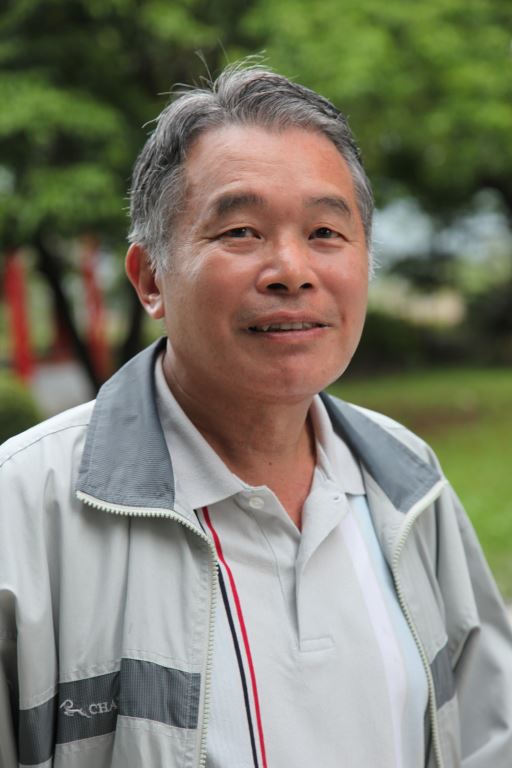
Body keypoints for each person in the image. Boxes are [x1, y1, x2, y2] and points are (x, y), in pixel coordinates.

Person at [0, 63, 511, 768]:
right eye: (241, 231)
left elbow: (489, 732)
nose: (291, 270)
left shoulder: (406, 482)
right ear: (150, 279)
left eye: (326, 232)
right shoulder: (26, 509)